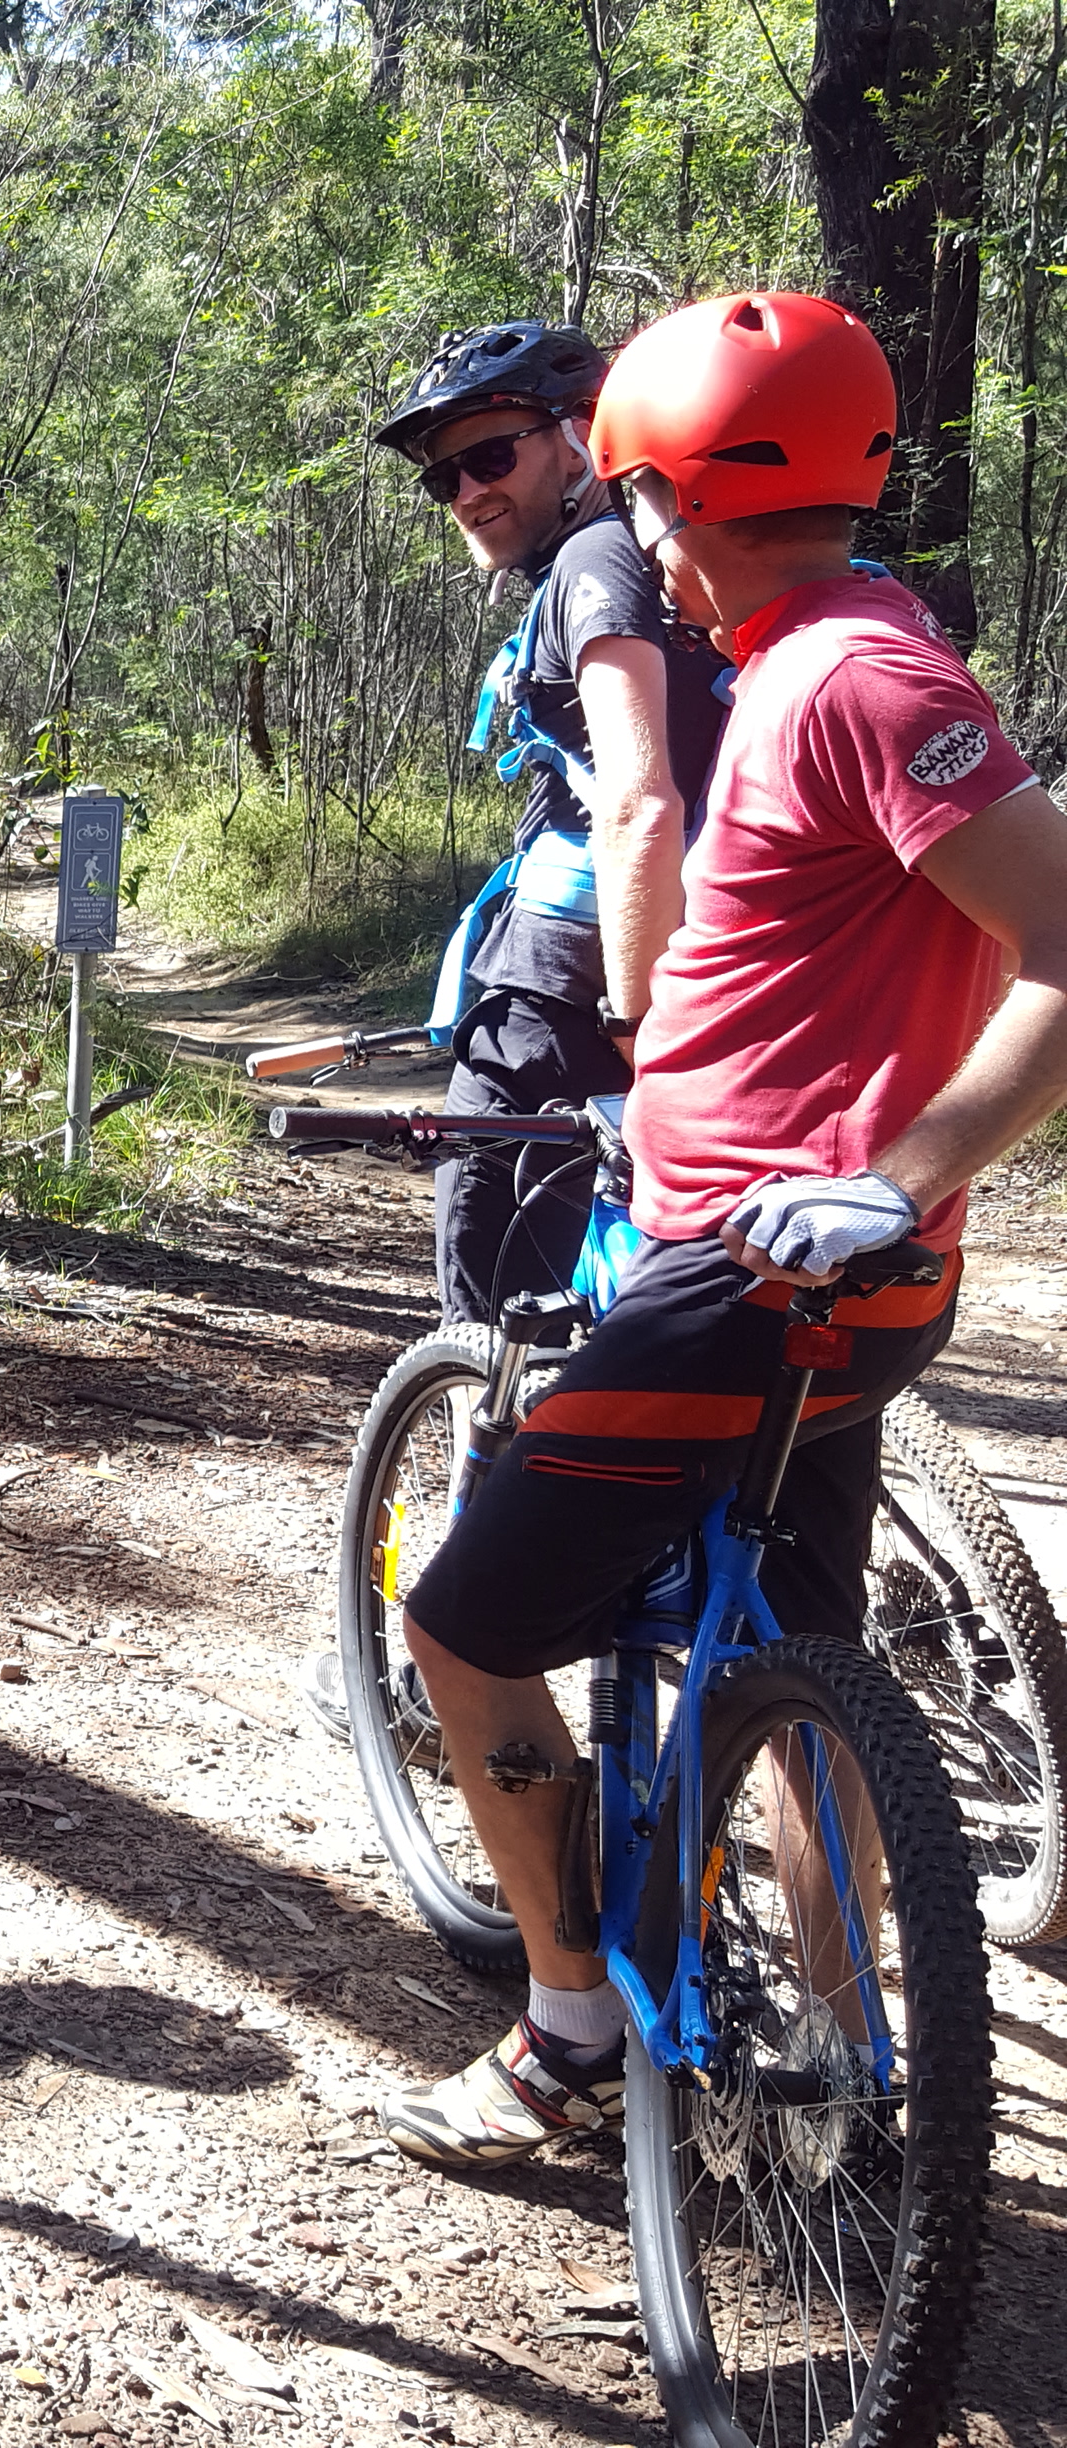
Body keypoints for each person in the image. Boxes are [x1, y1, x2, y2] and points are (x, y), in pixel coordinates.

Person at [379, 292, 1067, 2166]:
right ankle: (835, 2071)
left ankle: (565, 2028)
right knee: (788, 1662)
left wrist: (899, 1165)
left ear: (680, 488)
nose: (638, 548)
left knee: (457, 1619)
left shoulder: (856, 679)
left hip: (759, 1287)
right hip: (811, 1283)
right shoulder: (824, 653)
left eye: (639, 504)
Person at [296, 320, 730, 1745]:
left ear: (581, 431)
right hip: (697, 975)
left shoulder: (598, 564)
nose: (469, 491)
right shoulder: (687, 562)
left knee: (490, 1327)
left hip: (573, 1000)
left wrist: (634, 1012)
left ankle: (452, 1653)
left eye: (491, 453)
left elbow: (635, 796)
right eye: (443, 475)